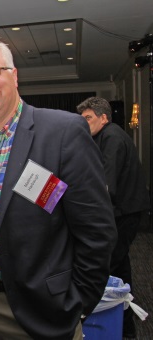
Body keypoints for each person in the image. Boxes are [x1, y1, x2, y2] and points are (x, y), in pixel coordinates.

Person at [0, 39, 117, 340]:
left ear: (14, 75)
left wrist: (77, 305)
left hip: (43, 308)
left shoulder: (62, 132)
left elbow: (97, 231)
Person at [77, 96, 150, 338]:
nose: (84, 123)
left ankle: (108, 323)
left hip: (123, 214)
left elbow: (106, 186)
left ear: (104, 118)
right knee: (120, 268)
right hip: (124, 212)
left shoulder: (111, 137)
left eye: (88, 118)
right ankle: (125, 327)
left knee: (106, 266)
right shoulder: (104, 136)